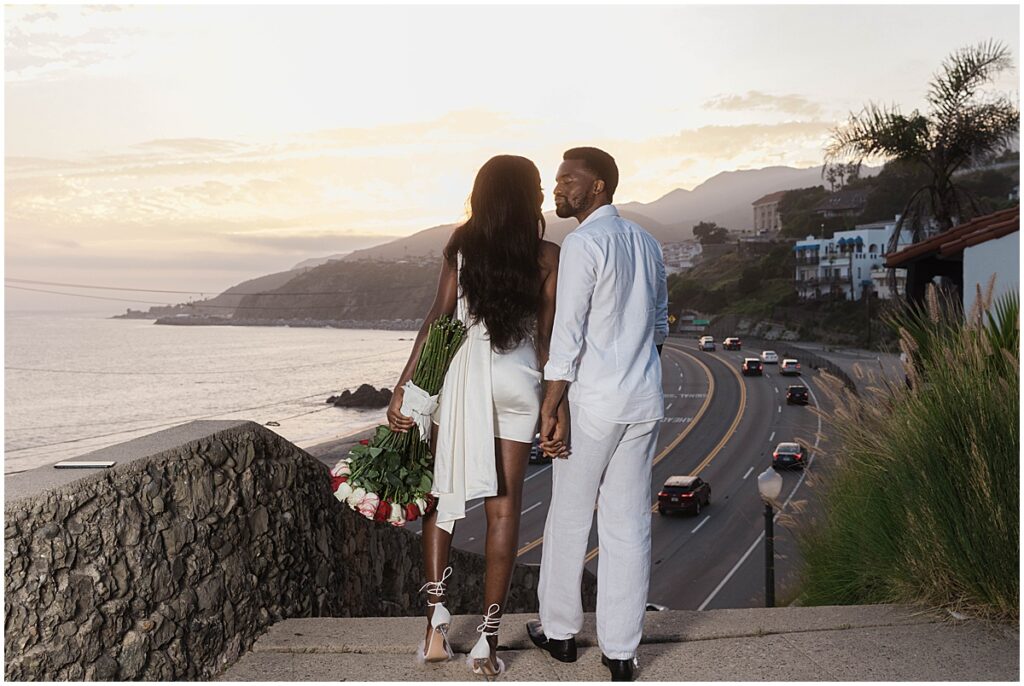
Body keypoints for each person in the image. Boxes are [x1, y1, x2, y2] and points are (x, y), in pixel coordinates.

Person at [386, 154, 560, 678]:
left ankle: (436, 630)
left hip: (463, 378)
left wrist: (404, 387)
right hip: (520, 381)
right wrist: (556, 405)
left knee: (443, 500)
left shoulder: (461, 246)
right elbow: (550, 339)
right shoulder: (549, 253)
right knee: (503, 512)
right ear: (526, 196)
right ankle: (487, 643)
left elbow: (437, 321)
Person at [527, 147, 668, 682]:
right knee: (628, 525)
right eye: (558, 179)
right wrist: (638, 373)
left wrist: (551, 402)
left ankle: (561, 635)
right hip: (642, 401)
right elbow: (659, 327)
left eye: (568, 180)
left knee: (568, 515)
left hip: (593, 403)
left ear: (599, 187)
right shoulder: (648, 243)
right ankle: (621, 651)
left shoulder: (584, 243)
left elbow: (567, 335)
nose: (558, 187)